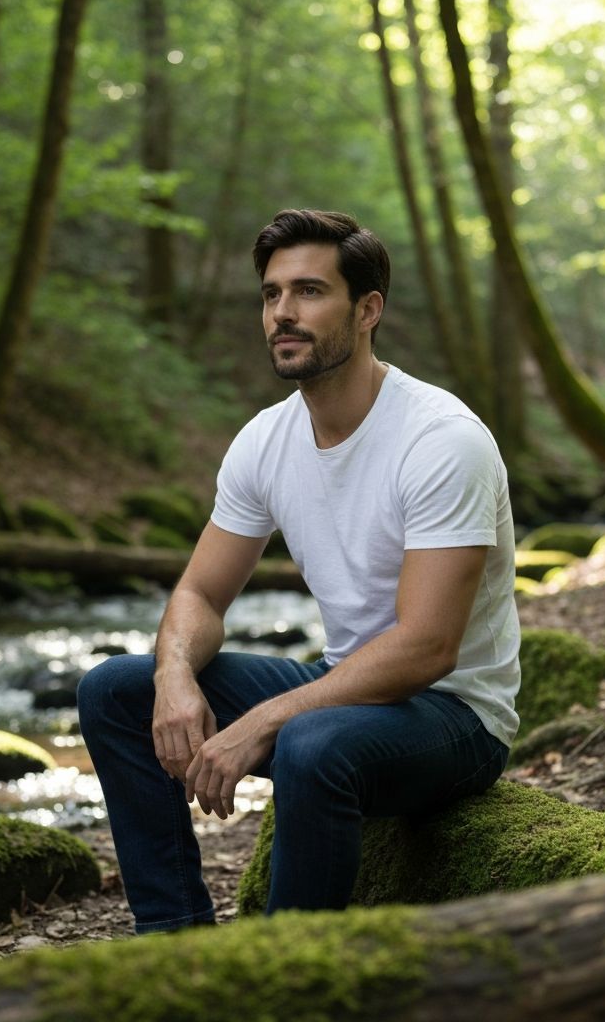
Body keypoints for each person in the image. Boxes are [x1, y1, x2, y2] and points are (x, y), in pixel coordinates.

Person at [77, 208, 520, 933]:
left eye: (310, 291)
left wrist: (265, 721)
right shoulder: (266, 439)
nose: (283, 312)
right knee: (114, 691)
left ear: (368, 309)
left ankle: (279, 981)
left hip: (455, 717)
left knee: (310, 743)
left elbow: (427, 647)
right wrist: (174, 678)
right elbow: (199, 591)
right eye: (271, 293)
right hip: (345, 685)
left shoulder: (442, 441)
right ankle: (175, 949)